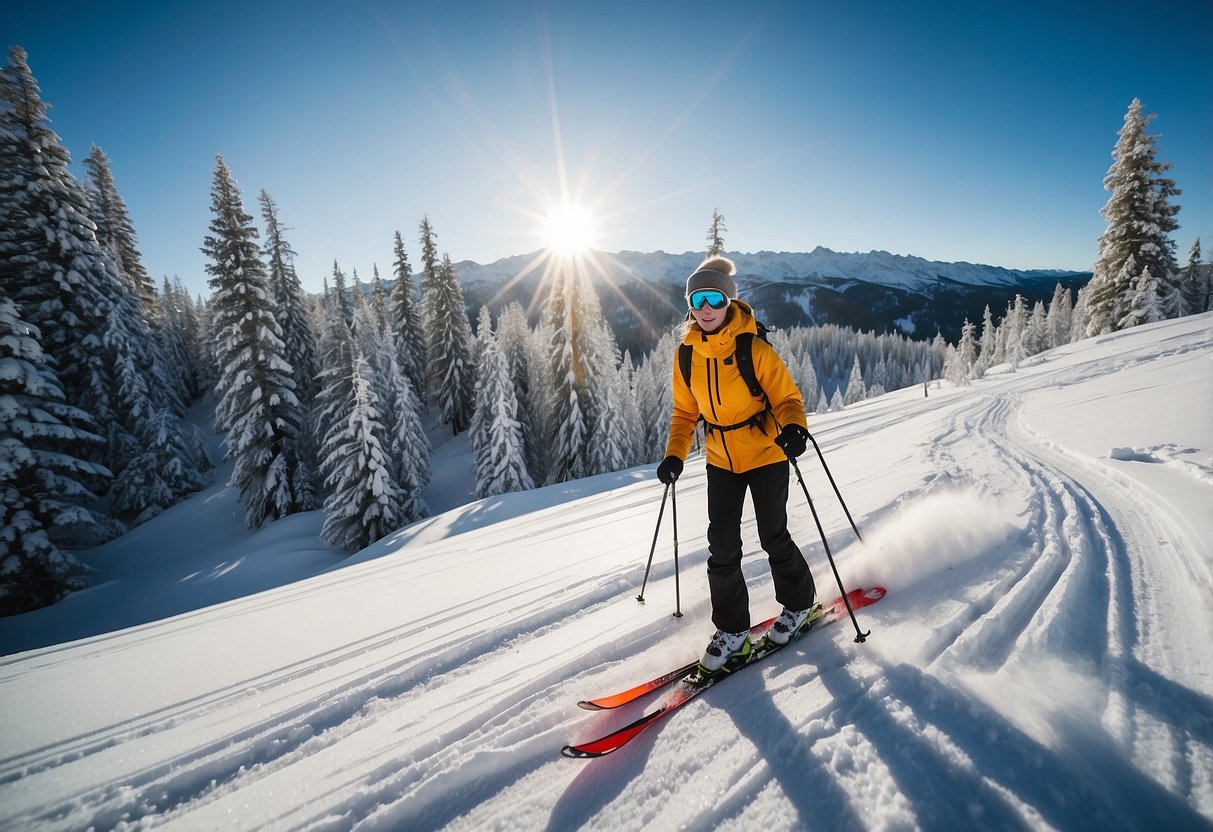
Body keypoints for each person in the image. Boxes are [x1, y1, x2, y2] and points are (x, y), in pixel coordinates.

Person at [657, 255, 819, 674]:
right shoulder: (686, 355)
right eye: (698, 299)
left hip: (765, 452)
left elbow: (786, 399)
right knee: (722, 548)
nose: (706, 308)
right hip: (720, 460)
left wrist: (794, 428)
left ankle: (799, 605)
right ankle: (733, 633)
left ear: (729, 301)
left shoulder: (753, 346)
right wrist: (674, 455)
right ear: (690, 306)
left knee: (773, 536)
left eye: (714, 298)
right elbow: (684, 414)